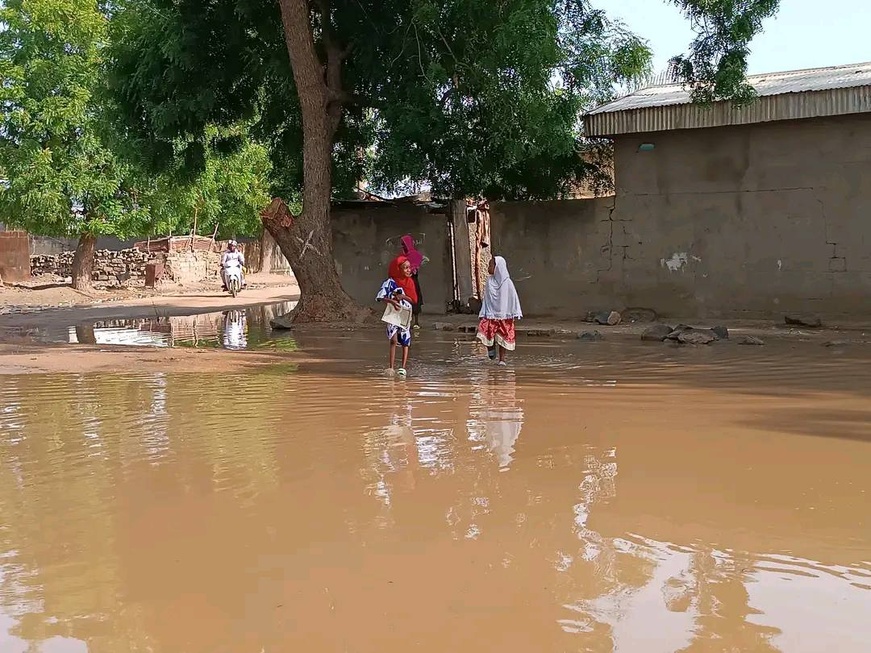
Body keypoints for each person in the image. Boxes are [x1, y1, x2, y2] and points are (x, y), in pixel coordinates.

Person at [376, 256, 418, 377]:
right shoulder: (390, 283)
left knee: (405, 340)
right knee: (393, 340)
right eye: (405, 268)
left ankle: (403, 368)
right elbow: (381, 297)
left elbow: (414, 300)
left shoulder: (410, 283)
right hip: (393, 314)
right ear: (398, 269)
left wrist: (402, 297)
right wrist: (392, 301)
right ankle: (391, 367)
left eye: (409, 268)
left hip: (405, 313)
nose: (408, 270)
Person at [477, 255, 522, 365]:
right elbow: (487, 298)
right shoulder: (489, 281)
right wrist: (485, 312)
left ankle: (502, 359)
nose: (488, 268)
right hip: (491, 313)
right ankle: (490, 348)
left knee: (503, 337)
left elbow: (513, 298)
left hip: (504, 315)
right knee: (486, 332)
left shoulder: (507, 282)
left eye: (491, 265)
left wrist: (514, 312)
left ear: (498, 267)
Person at [400, 235, 426, 329]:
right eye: (402, 245)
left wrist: (414, 267)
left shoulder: (415, 255)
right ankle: (406, 321)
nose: (403, 247)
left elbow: (423, 261)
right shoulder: (403, 256)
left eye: (404, 244)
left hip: (413, 281)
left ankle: (416, 322)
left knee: (415, 300)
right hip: (405, 281)